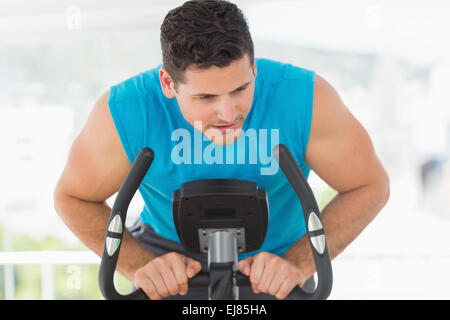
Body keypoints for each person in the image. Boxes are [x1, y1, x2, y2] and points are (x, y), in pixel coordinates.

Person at [53, 0, 390, 300]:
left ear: (254, 67)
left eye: (240, 88)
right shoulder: (126, 111)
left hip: (276, 260)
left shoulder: (306, 99)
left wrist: (299, 263)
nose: (228, 114)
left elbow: (368, 185)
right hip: (166, 257)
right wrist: (139, 264)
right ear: (168, 84)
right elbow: (73, 197)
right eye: (205, 98)